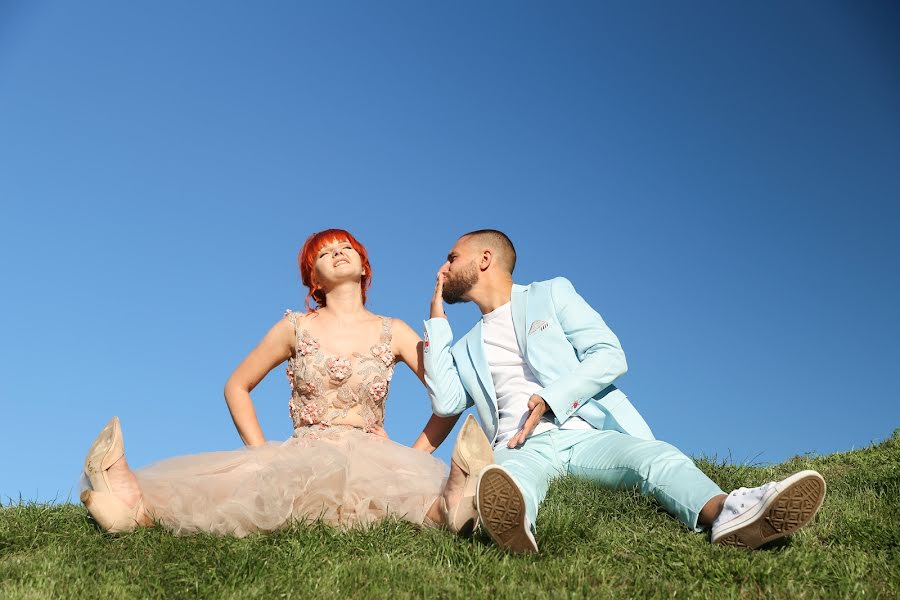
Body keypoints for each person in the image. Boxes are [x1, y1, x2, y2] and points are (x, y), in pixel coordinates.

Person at [423, 229, 827, 553]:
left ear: (485, 259)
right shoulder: (465, 346)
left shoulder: (551, 294)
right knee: (509, 476)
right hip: (519, 444)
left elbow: (609, 354)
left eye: (452, 257)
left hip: (584, 432)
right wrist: (437, 322)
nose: (443, 268)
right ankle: (512, 527)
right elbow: (446, 401)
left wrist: (552, 398)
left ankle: (731, 512)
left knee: (653, 457)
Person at [80, 229, 494, 536]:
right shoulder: (295, 327)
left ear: (364, 266)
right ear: (313, 279)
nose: (337, 253)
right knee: (228, 492)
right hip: (306, 451)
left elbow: (450, 398)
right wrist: (261, 453)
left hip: (376, 454)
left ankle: (453, 507)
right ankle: (131, 505)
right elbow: (236, 385)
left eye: (346, 247)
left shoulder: (395, 330)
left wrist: (416, 453)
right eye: (324, 252)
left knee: (410, 495)